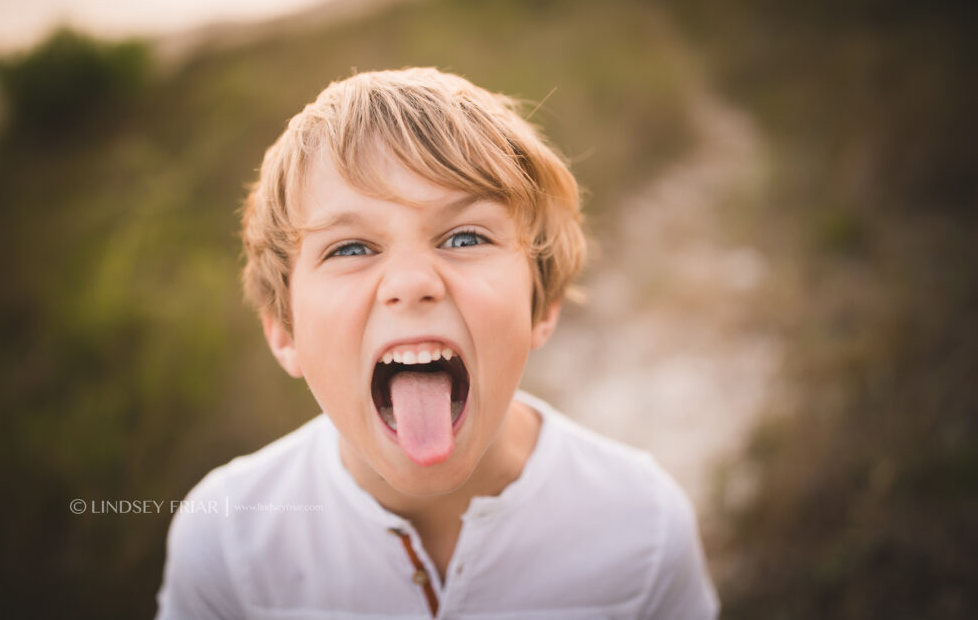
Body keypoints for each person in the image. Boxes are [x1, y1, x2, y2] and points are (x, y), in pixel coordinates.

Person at [155, 68, 719, 619]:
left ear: (540, 305)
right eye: (350, 248)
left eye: (466, 237)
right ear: (284, 330)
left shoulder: (643, 530)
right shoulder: (228, 540)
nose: (411, 284)